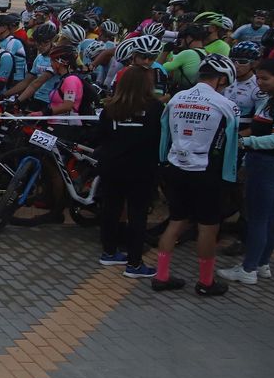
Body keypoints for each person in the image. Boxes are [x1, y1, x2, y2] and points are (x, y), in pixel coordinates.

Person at [152, 54, 240, 296]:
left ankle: (161, 276)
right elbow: (231, 145)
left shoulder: (176, 98)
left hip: (174, 166)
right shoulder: (226, 105)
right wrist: (229, 177)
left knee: (175, 221)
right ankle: (206, 282)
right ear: (222, 79)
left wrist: (163, 162)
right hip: (206, 172)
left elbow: (164, 134)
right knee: (208, 227)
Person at [219, 59, 274, 285]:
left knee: (258, 219)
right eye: (259, 77)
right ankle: (261, 263)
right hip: (266, 164)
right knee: (268, 218)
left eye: (265, 79)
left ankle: (249, 269)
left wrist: (246, 142)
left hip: (269, 165)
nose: (260, 82)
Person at [94, 65, 164, 277]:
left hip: (111, 167)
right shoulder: (155, 108)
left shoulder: (110, 108)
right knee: (138, 214)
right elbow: (161, 139)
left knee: (111, 209)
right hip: (141, 168)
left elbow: (101, 137)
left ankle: (109, 251)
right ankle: (134, 264)